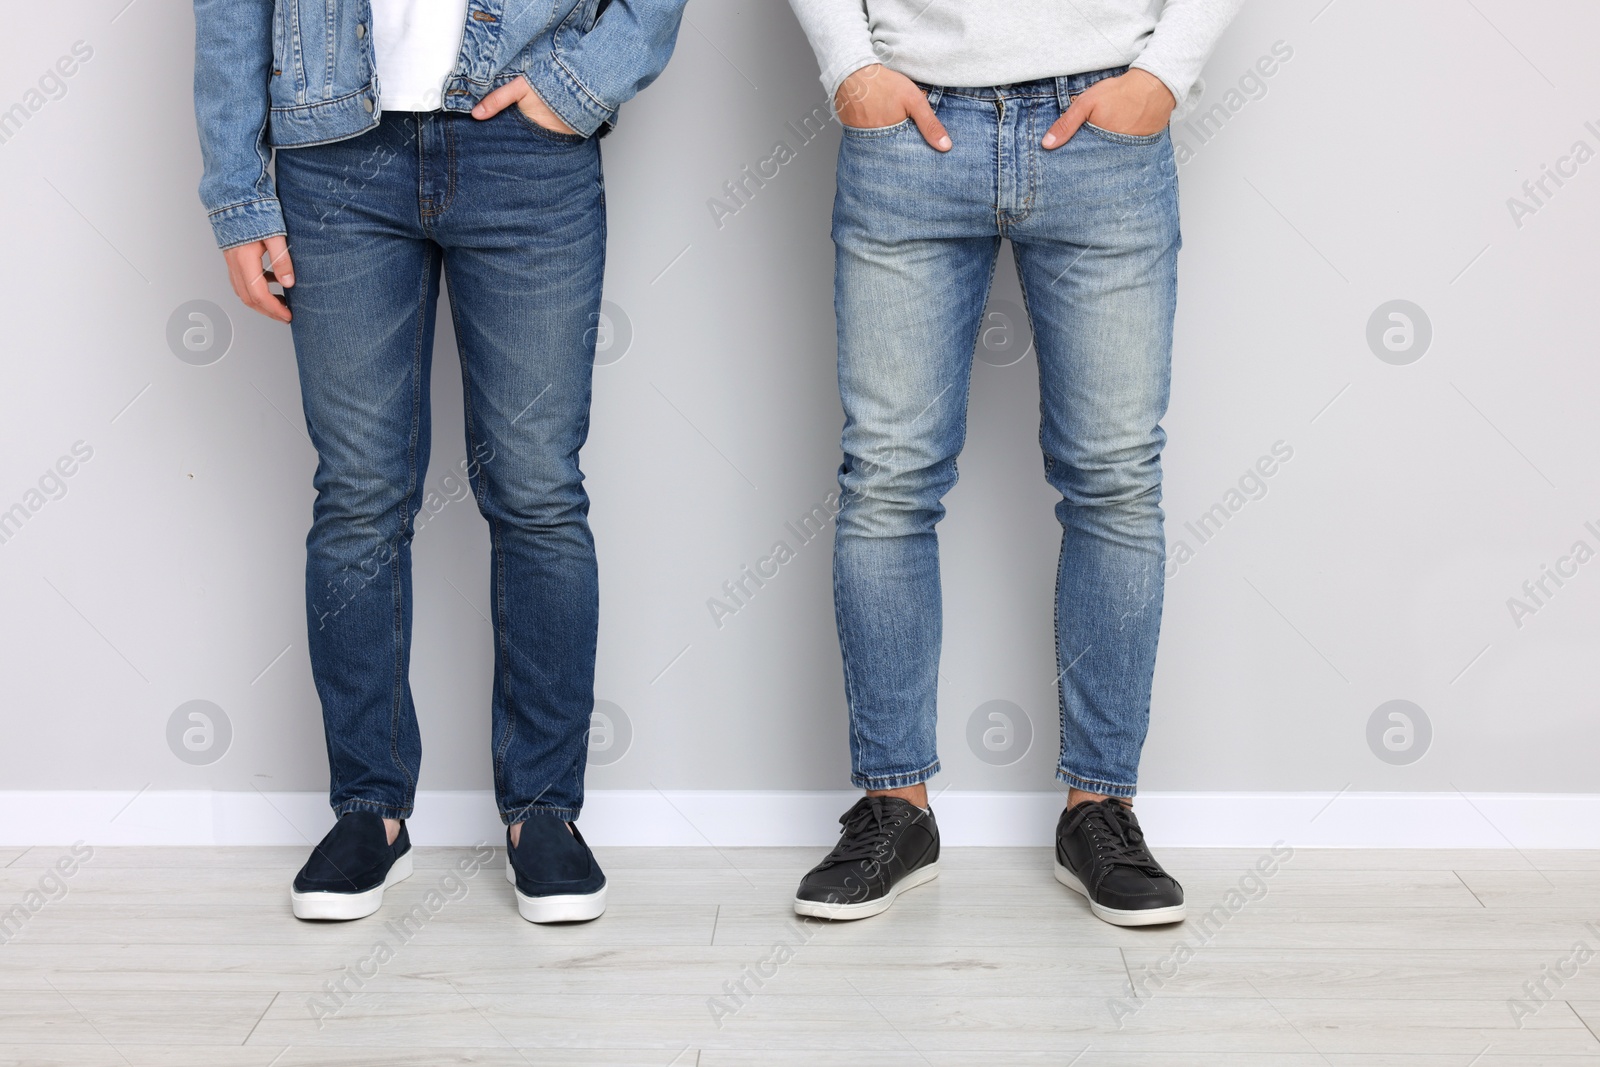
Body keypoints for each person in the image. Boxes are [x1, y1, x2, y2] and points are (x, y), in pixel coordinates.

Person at [192, 0, 686, 922]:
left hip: (526, 152)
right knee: (358, 495)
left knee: (537, 489)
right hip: (333, 149)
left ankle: (543, 813)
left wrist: (578, 83)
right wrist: (236, 193)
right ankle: (368, 812)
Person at [786, 0, 1241, 925]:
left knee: (1114, 479)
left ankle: (1100, 808)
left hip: (1105, 129)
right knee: (886, 476)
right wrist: (848, 64)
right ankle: (893, 806)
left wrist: (1165, 75)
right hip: (911, 126)